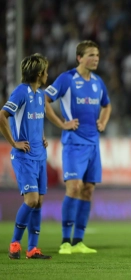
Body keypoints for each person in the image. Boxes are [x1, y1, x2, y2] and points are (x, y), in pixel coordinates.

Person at [44, 40, 111, 254]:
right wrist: (62, 123)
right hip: (73, 143)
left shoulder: (98, 82)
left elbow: (107, 105)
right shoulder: (67, 79)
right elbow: (44, 99)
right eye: (91, 55)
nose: (96, 58)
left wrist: (103, 121)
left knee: (88, 190)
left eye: (97, 55)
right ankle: (65, 241)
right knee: (73, 188)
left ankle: (79, 241)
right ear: (79, 58)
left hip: (93, 144)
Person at [0, 54, 51, 259]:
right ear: (39, 73)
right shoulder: (21, 92)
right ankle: (14, 244)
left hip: (40, 155)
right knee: (31, 200)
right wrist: (13, 143)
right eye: (46, 71)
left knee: (38, 202)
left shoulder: (40, 95)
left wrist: (43, 137)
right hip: (24, 157)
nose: (48, 74)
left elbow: (35, 121)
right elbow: (2, 115)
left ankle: (33, 249)